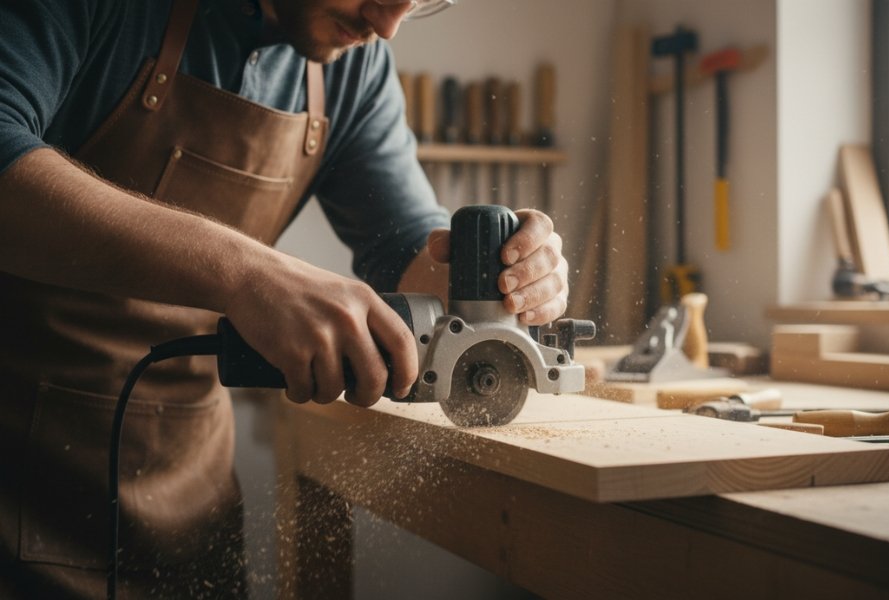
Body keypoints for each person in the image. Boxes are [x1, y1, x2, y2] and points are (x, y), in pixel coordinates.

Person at [0, 0, 569, 596]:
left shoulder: (354, 67)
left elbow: (411, 249)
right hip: (18, 472)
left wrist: (499, 274)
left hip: (186, 491)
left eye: (420, 2)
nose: (388, 26)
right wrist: (244, 272)